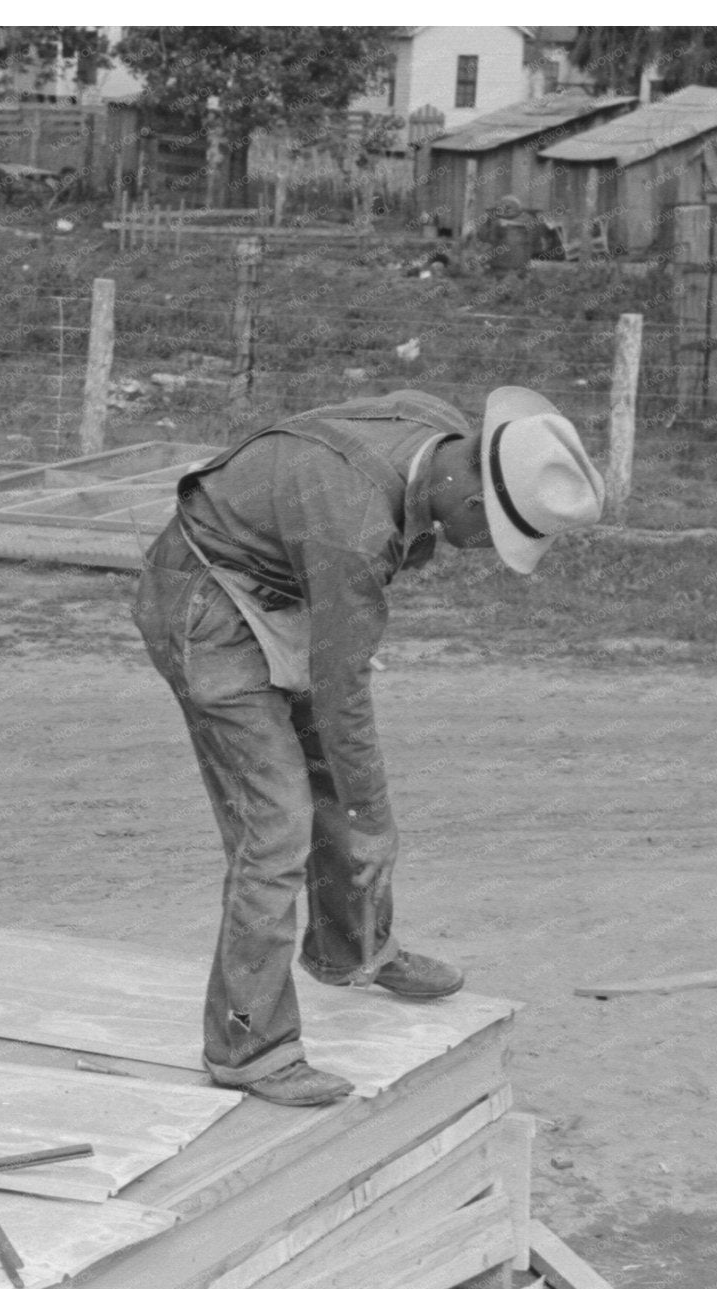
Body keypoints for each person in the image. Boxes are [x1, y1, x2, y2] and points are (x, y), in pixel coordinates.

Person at [132, 387, 604, 1106]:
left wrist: (361, 807)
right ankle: (246, 1045)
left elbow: (337, 683)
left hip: (278, 581)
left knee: (338, 783)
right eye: (498, 536)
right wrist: (374, 818)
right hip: (205, 604)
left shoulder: (435, 430)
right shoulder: (352, 527)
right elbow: (341, 687)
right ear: (473, 499)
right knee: (277, 828)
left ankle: (352, 949)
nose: (483, 553)